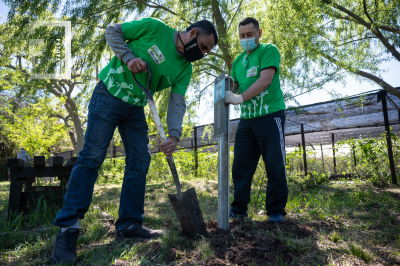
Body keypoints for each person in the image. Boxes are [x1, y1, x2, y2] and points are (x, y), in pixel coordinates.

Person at [51, 17, 218, 265]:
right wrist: (128, 57)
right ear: (192, 32)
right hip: (109, 94)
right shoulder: (155, 28)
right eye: (203, 46)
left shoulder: (186, 67)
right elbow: (113, 31)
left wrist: (173, 135)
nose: (202, 54)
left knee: (140, 159)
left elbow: (177, 101)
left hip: (136, 108)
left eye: (207, 51)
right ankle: (68, 229)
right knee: (92, 157)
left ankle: (129, 224)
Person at [225, 17, 288, 224]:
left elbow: (265, 80)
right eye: (242, 36)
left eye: (250, 35)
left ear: (259, 33)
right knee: (241, 166)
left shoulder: (269, 50)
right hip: (247, 120)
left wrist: (239, 98)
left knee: (274, 163)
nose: (246, 39)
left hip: (270, 116)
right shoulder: (237, 62)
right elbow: (234, 87)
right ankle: (239, 210)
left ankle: (276, 211)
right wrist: (224, 89)